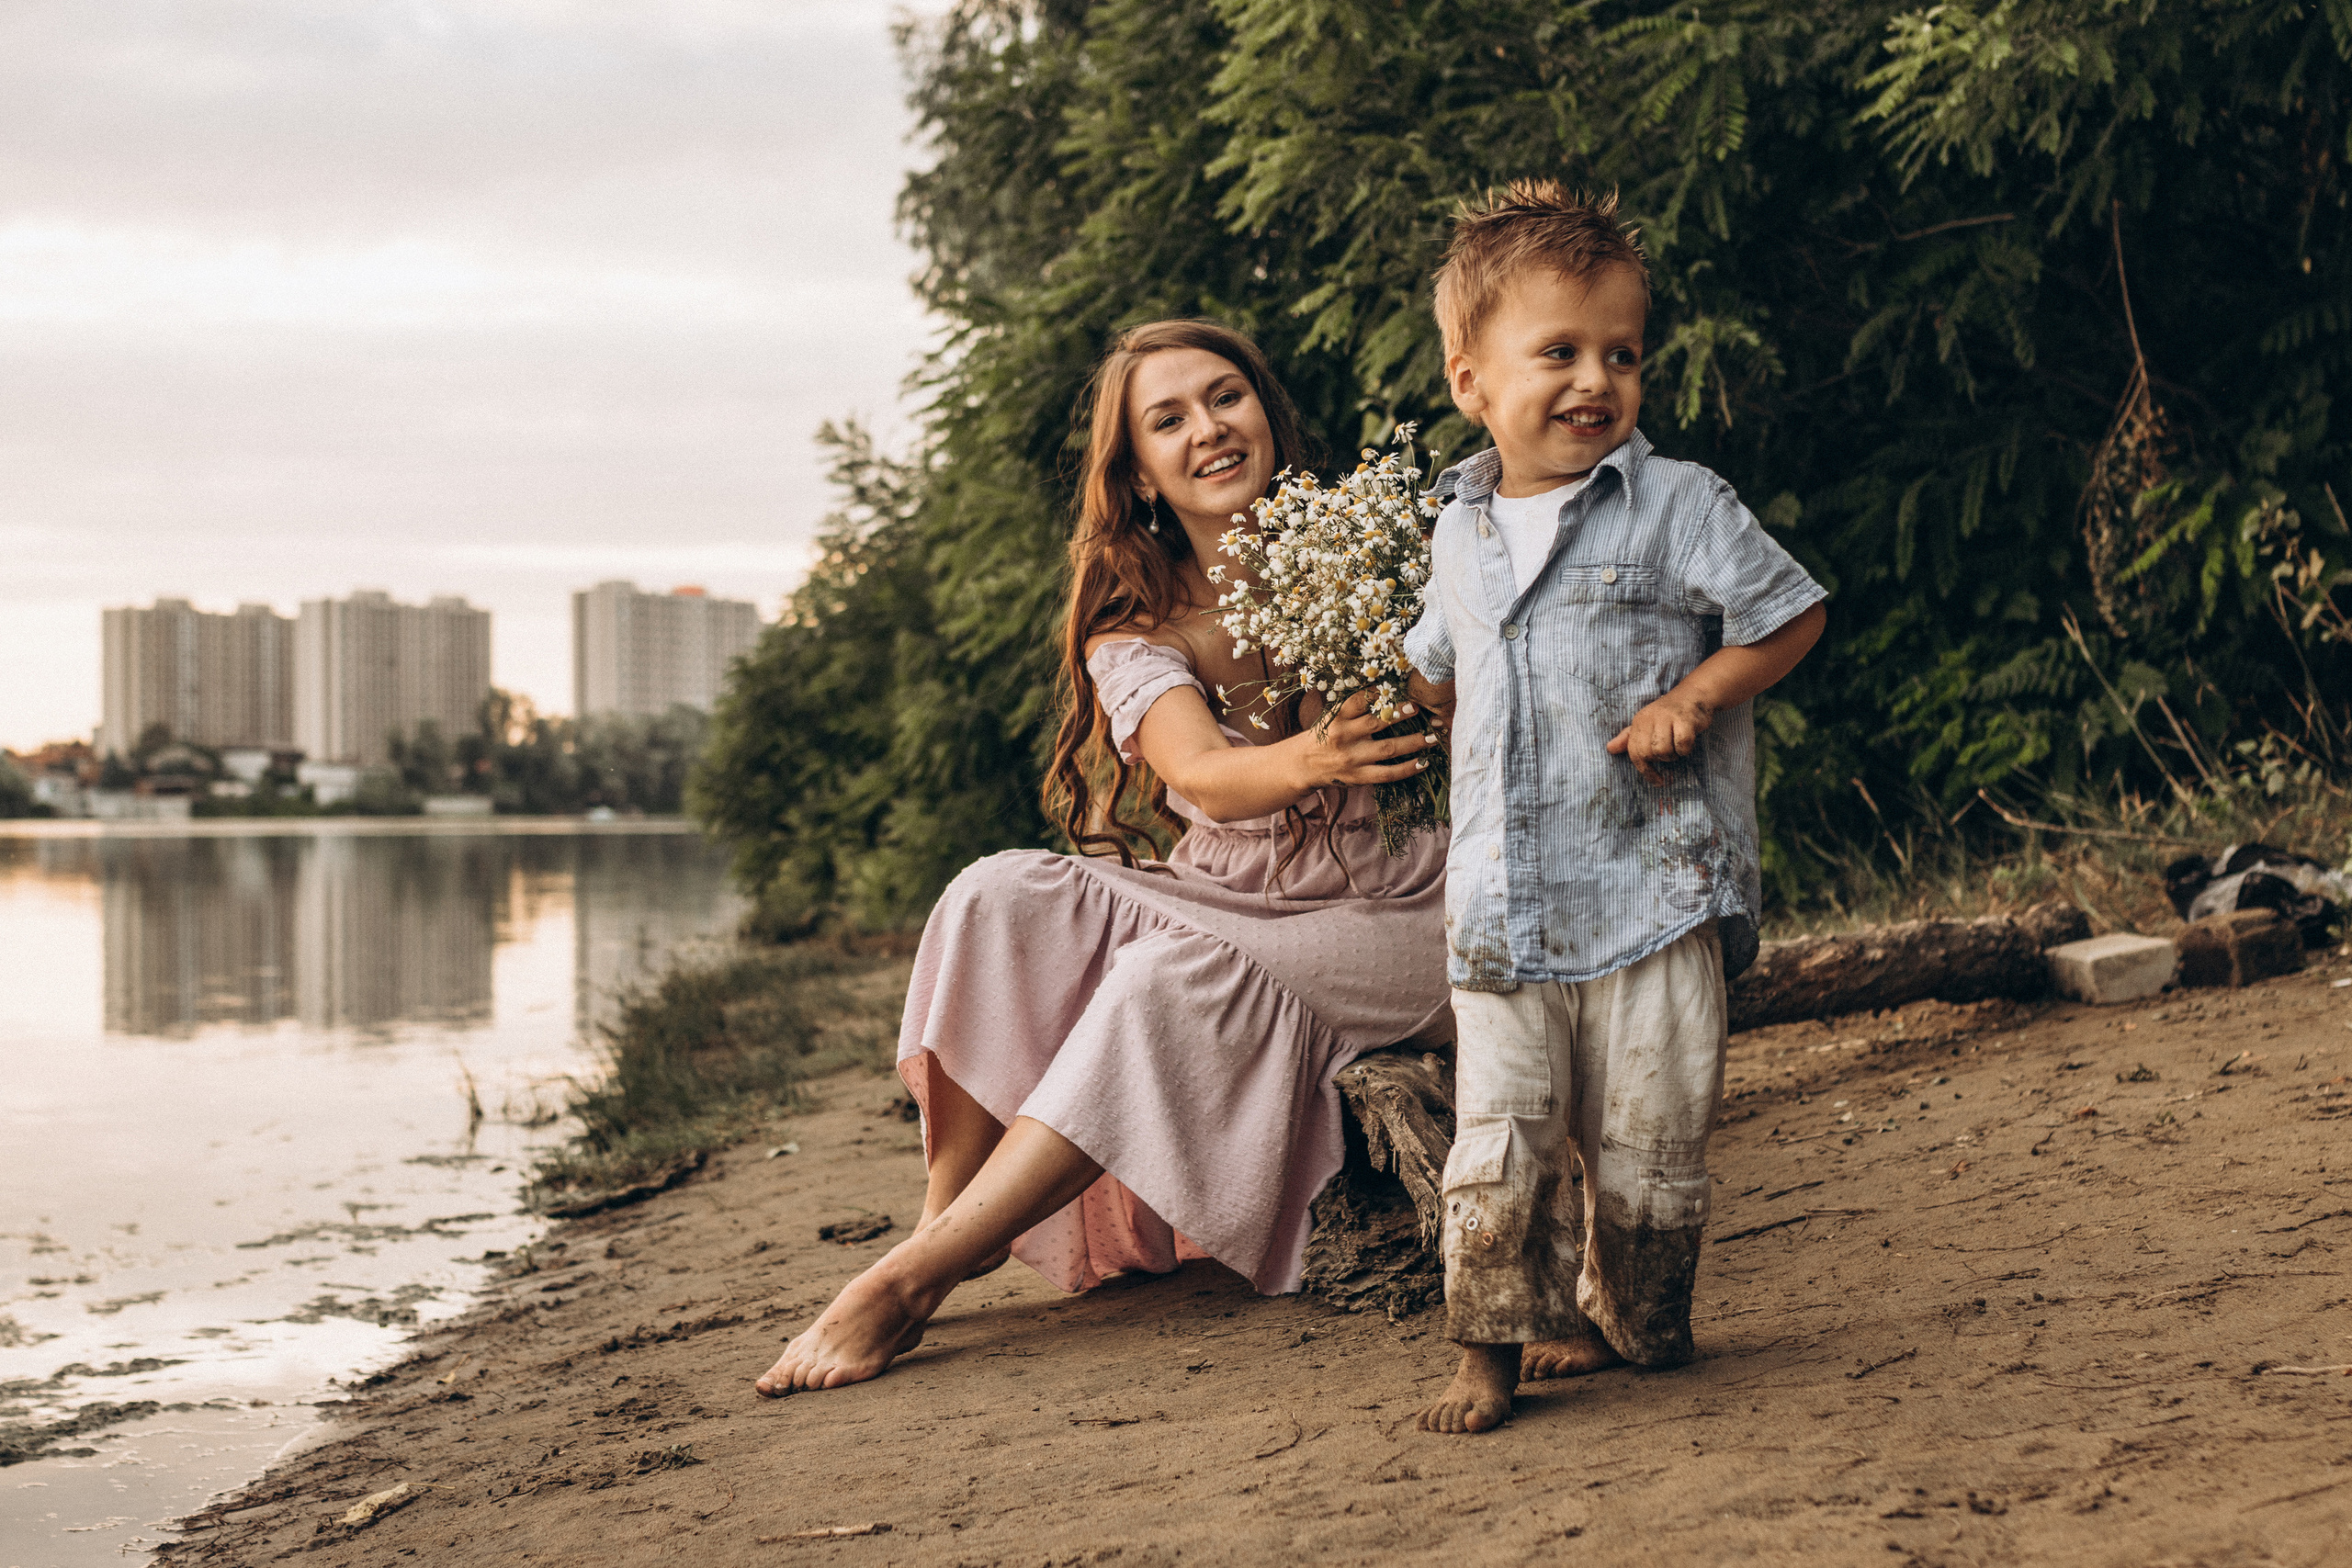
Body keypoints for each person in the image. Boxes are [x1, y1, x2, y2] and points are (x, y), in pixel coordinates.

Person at [756, 318, 1454, 1395]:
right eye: (1167, 419)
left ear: (1266, 411)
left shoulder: (1369, 550)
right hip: (1235, 890)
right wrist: (1316, 751)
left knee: (1171, 975)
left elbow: (1459, 692)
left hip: (1402, 909)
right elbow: (1206, 772)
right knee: (997, 891)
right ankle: (949, 1223)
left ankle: (906, 1284)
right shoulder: (1136, 628)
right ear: (1135, 473)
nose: (1208, 429)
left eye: (1226, 397)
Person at [1401, 183, 1828, 1435]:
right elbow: (1437, 663)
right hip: (1505, 898)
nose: (1598, 379)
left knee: (1652, 1133)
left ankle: (1632, 1310)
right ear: (1470, 377)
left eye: (1622, 353)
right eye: (1562, 352)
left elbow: (1790, 612)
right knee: (1503, 1132)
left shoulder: (1679, 501)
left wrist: (1695, 695)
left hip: (1651, 884)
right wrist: (1418, 699)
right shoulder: (1455, 529)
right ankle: (1488, 1341)